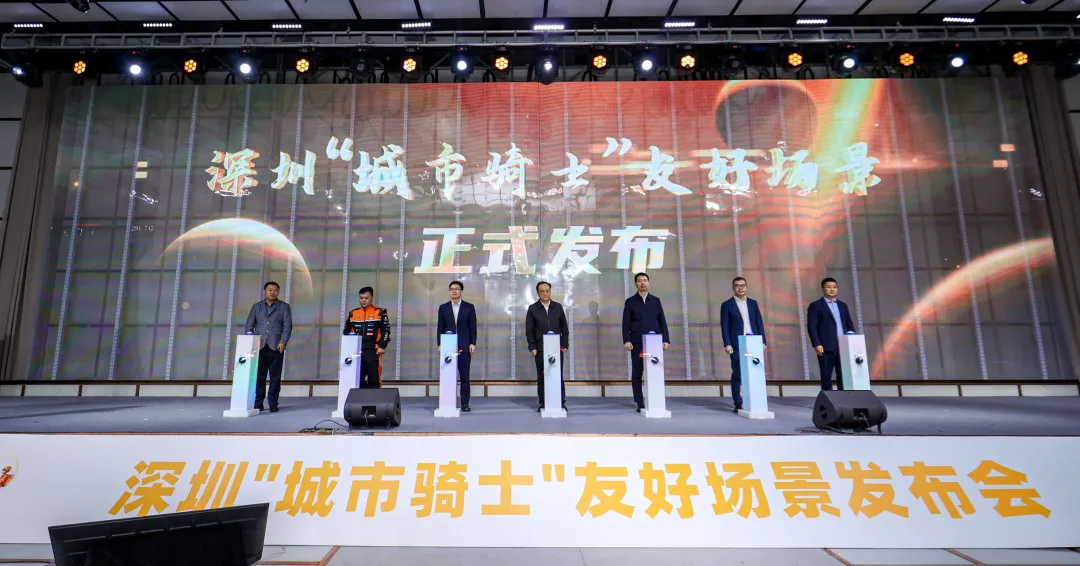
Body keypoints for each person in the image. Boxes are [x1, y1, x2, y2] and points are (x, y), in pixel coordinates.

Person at [621, 272, 670, 413]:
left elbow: (662, 321)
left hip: (654, 344)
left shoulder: (655, 301)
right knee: (637, 372)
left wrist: (666, 339)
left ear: (648, 282)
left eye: (645, 280)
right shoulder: (630, 302)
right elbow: (625, 323)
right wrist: (627, 340)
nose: (643, 283)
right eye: (640, 281)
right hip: (637, 342)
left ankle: (655, 400)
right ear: (635, 284)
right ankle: (639, 402)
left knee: (655, 370)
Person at [244, 281, 293, 413]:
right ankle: (258, 403)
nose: (272, 292)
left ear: (278, 292)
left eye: (275, 290)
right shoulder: (257, 307)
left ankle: (273, 403)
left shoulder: (284, 307)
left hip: (277, 346)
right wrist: (250, 343)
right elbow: (249, 326)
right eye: (270, 290)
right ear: (265, 291)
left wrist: (283, 342)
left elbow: (287, 326)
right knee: (259, 377)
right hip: (259, 346)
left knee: (275, 378)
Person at [720, 277, 767, 413]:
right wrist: (727, 343)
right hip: (737, 343)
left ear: (746, 287)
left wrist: (763, 341)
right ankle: (738, 402)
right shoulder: (727, 305)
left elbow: (759, 323)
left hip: (754, 342)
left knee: (755, 371)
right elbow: (724, 326)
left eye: (743, 285)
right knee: (738, 373)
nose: (740, 288)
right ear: (733, 288)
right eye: (737, 285)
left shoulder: (753, 303)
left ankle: (754, 400)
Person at [525, 281, 569, 412]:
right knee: (542, 376)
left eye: (547, 291)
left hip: (556, 348)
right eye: (542, 291)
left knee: (557, 375)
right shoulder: (533, 309)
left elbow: (564, 329)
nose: (545, 293)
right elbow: (529, 330)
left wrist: (564, 344)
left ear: (550, 291)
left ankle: (560, 402)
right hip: (540, 348)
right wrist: (532, 347)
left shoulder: (558, 307)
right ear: (537, 293)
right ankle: (543, 402)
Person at [807, 277, 856, 391]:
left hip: (843, 345)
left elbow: (849, 324)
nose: (832, 289)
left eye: (834, 287)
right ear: (823, 289)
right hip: (825, 346)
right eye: (829, 287)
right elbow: (812, 326)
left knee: (844, 375)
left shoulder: (843, 305)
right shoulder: (816, 305)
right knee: (826, 375)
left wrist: (852, 340)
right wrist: (816, 344)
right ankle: (828, 398)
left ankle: (844, 397)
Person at [436, 280, 477, 412]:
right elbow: (440, 327)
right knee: (448, 376)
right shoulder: (443, 308)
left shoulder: (469, 307)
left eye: (457, 289)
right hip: (448, 347)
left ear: (461, 291)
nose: (454, 291)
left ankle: (465, 404)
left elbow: (473, 327)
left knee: (465, 377)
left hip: (464, 346)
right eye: (451, 289)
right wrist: (440, 344)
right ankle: (448, 403)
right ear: (449, 291)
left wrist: (472, 343)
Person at [343, 286, 392, 388]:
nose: (363, 300)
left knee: (374, 379)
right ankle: (360, 397)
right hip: (356, 351)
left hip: (373, 350)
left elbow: (386, 330)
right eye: (361, 298)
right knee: (357, 379)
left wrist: (382, 346)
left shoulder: (380, 312)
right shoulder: (353, 313)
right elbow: (346, 332)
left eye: (366, 298)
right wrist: (349, 349)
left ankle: (375, 398)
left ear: (371, 298)